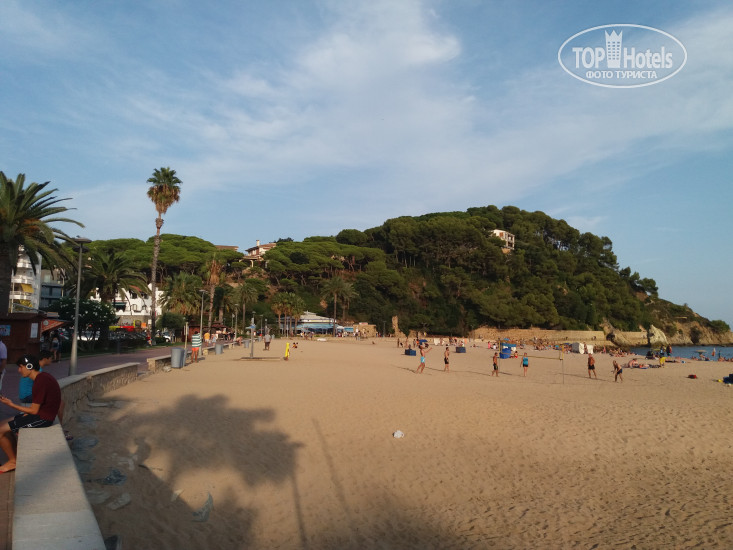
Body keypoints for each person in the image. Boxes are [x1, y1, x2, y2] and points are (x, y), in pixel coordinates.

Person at [0, 354, 62, 473]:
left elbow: (34, 410)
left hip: (43, 418)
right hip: (39, 414)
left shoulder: (40, 381)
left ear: (29, 366)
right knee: (2, 424)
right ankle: (15, 457)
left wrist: (10, 404)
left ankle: (13, 461)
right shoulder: (41, 378)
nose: (19, 370)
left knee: (0, 430)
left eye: (21, 367)